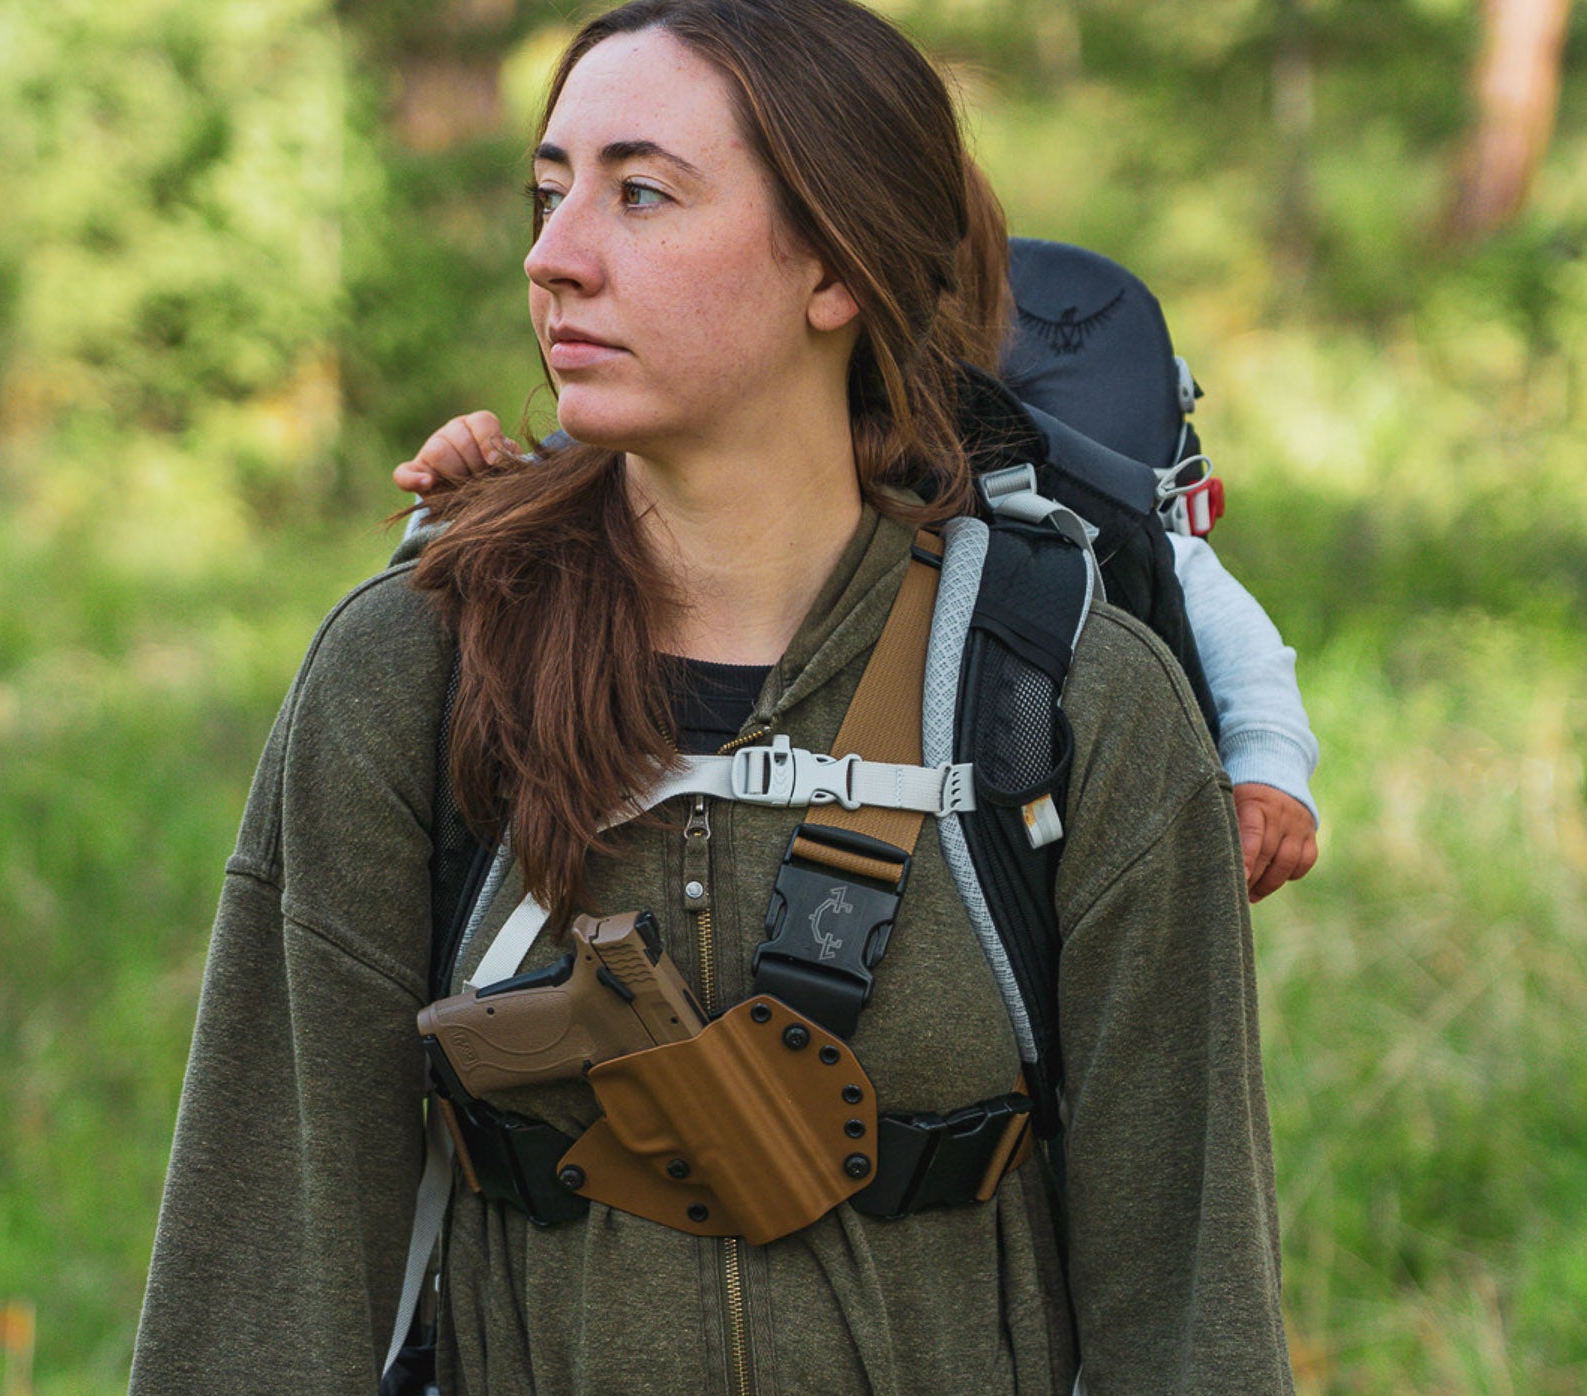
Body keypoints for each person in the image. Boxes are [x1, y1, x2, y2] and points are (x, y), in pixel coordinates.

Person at [111, 0, 1333, 1396]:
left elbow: (1191, 1275)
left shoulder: (1065, 706)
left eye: (644, 192)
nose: (554, 250)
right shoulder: (416, 672)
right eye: (545, 186)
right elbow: (275, 1240)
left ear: (837, 266)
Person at [391, 191, 1321, 908]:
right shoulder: (629, 461)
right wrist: (466, 503)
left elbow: (1209, 603)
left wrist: (1266, 765)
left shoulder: (1049, 502)